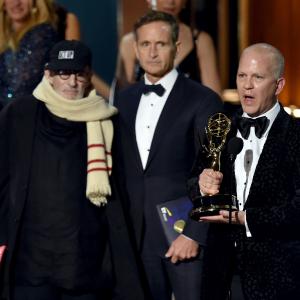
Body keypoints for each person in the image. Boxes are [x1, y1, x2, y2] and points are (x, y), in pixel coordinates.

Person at [0, 40, 145, 300]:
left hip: (86, 259)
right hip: (29, 259)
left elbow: (125, 188)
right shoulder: (20, 114)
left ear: (89, 76)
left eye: (78, 73)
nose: (71, 82)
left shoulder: (107, 120)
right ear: (48, 76)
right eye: (63, 73)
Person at [114, 10, 223, 300]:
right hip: (137, 237)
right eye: (145, 44)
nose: (151, 52)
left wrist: (194, 233)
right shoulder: (123, 100)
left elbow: (217, 171)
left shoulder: (204, 100)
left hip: (184, 233)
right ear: (135, 49)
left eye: (160, 44)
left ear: (176, 48)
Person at [188, 43, 300, 299]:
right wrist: (202, 185)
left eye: (257, 77)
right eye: (242, 76)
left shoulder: (295, 135)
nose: (247, 85)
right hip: (221, 275)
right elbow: (193, 182)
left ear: (279, 85)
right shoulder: (221, 127)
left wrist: (244, 218)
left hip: (277, 278)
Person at [114, 0, 222, 96]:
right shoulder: (129, 43)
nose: (170, 1)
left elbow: (214, 100)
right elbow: (122, 98)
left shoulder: (200, 41)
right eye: (146, 44)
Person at [0, 0, 60, 106]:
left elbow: (18, 90)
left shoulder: (42, 34)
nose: (16, 3)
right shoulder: (5, 37)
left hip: (23, 114)